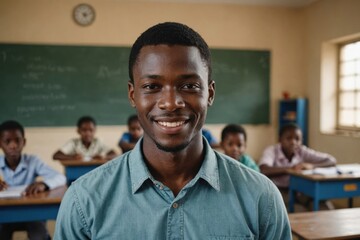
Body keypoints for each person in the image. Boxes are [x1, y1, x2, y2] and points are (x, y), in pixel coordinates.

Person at [54, 22, 291, 239]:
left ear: (210, 93)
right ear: (132, 94)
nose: (170, 102)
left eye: (189, 85)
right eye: (152, 86)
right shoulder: (83, 201)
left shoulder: (262, 198)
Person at [0, 120, 66, 240]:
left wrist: (44, 184)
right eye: (7, 141)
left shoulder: (33, 161)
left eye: (17, 140)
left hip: (31, 213)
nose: (13, 145)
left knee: (39, 236)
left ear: (24, 142)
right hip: (3, 214)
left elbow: (61, 177)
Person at [259, 123, 336, 188]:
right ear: (280, 140)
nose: (293, 142)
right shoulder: (271, 150)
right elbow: (263, 169)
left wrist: (312, 166)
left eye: (297, 139)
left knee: (324, 204)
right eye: (288, 138)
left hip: (300, 190)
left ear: (301, 141)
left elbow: (331, 161)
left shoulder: (302, 150)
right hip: (278, 190)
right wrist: (290, 169)